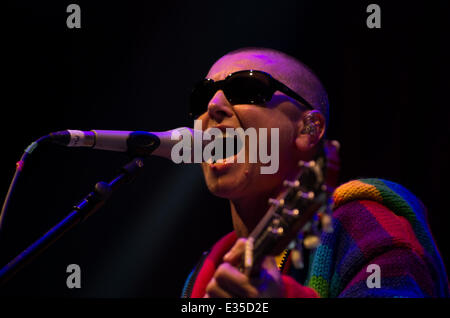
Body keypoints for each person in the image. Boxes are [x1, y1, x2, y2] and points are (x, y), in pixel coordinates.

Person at [181, 47, 449, 298]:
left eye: (245, 89)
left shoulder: (359, 222)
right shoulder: (202, 276)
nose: (213, 105)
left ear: (308, 129)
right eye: (203, 97)